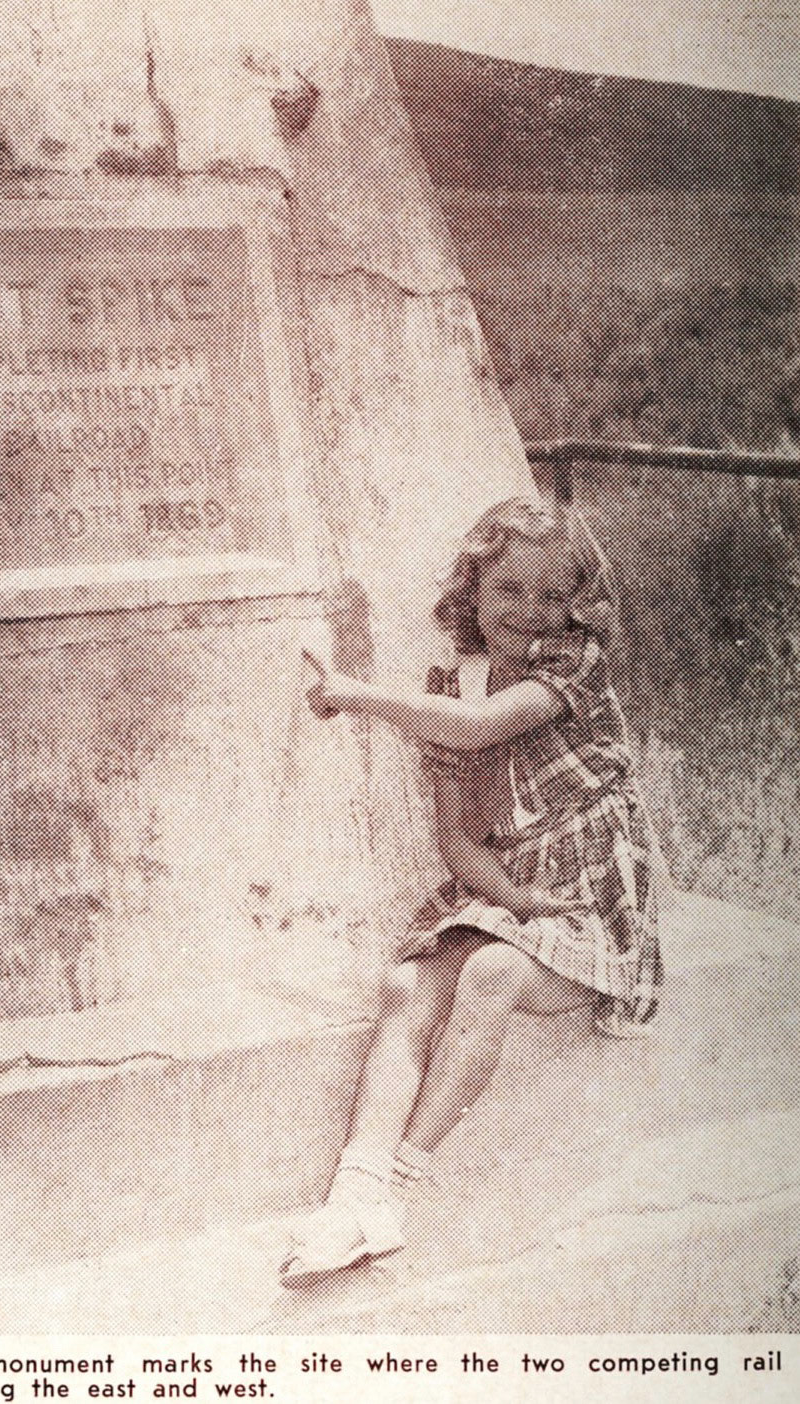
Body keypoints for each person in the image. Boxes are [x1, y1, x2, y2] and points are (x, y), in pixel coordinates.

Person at [280, 494, 663, 1288]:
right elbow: (456, 838)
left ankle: (397, 1185)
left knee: (489, 973)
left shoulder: (573, 664)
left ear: (576, 606)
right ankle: (352, 1195)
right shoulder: (450, 683)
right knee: (403, 986)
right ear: (471, 596)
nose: (528, 611)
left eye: (551, 595)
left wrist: (351, 695)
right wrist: (513, 901)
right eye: (507, 591)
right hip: (512, 889)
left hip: (591, 887)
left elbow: (480, 728)